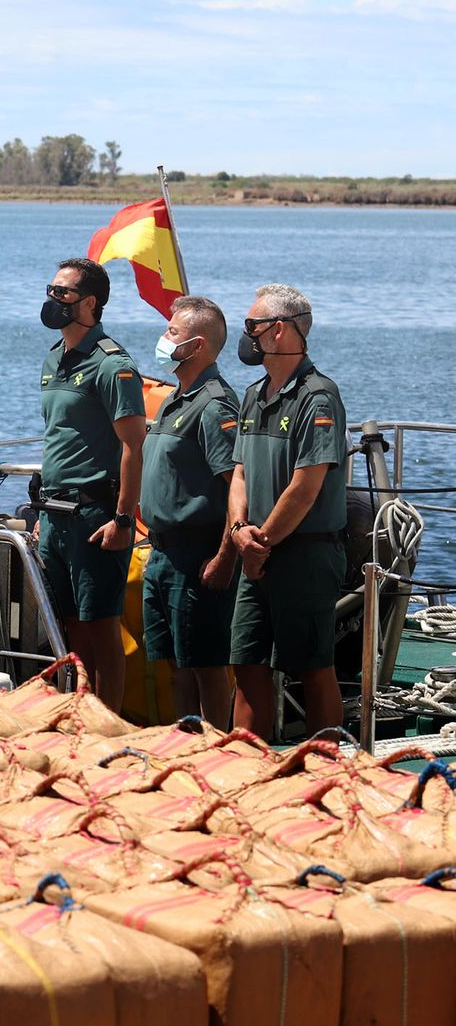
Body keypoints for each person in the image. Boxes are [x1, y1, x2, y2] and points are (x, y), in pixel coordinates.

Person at [227, 283, 348, 738]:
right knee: (246, 662)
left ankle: (327, 768)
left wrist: (261, 543)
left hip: (303, 554)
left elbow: (305, 486)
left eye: (251, 325)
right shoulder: (253, 395)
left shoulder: (317, 398)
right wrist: (240, 528)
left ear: (278, 331)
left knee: (312, 667)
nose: (247, 335)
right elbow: (239, 471)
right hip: (255, 550)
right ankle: (248, 765)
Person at [36, 257, 146, 710]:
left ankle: (107, 727)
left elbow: (133, 447)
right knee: (66, 627)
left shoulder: (111, 364)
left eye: (62, 293)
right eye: (51, 290)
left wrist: (123, 518)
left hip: (95, 515)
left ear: (90, 302)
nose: (52, 299)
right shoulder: (53, 359)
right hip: (54, 514)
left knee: (102, 628)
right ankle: (78, 716)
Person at [140, 295, 239, 728]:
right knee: (176, 664)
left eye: (172, 333)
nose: (163, 340)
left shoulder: (214, 405)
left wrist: (224, 558)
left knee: (207, 665)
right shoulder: (175, 399)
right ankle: (186, 744)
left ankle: (217, 749)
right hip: (161, 553)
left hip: (197, 553)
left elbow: (237, 488)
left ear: (196, 345)